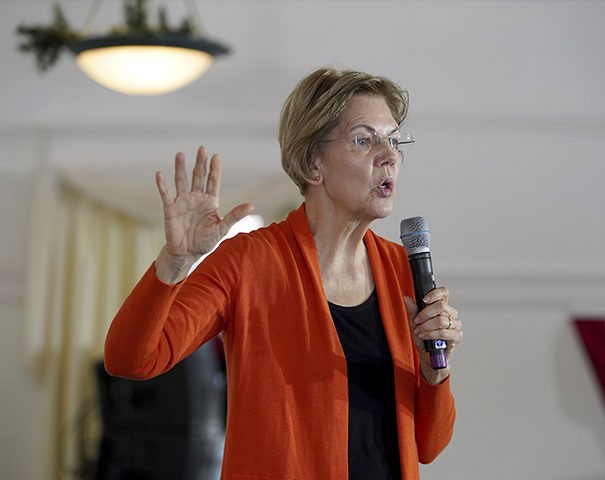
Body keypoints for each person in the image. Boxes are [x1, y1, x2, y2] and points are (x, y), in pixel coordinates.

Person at [105, 66, 463, 479]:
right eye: (365, 140)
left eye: (394, 141)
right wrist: (175, 261)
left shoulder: (400, 267)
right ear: (314, 163)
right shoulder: (249, 261)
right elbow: (131, 360)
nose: (389, 156)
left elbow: (429, 447)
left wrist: (435, 370)